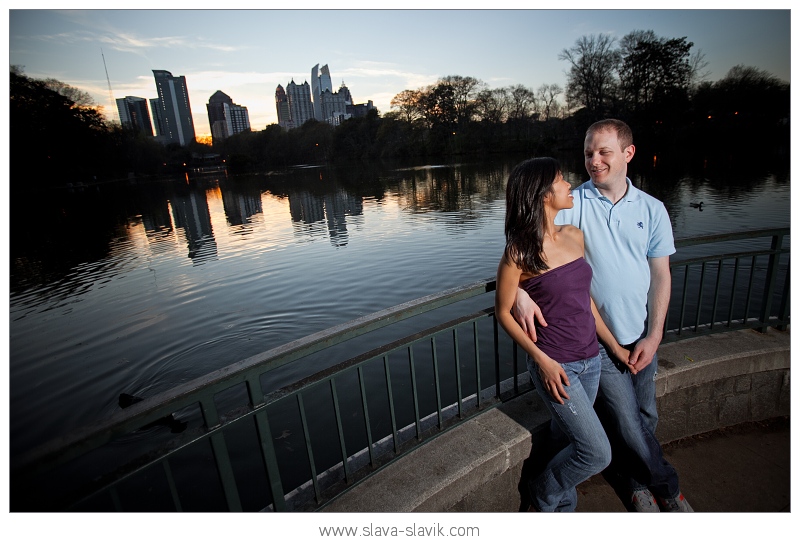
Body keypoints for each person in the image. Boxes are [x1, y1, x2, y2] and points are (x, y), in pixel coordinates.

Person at [513, 119, 692, 512]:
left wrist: (654, 335)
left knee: (646, 415)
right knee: (629, 423)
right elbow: (523, 242)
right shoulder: (573, 204)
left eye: (603, 152)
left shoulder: (653, 209)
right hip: (593, 341)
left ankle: (634, 479)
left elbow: (661, 274)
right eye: (588, 153)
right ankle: (666, 489)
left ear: (628, 154)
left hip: (639, 337)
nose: (594, 161)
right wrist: (520, 294)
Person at [495, 156, 631, 512]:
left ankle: (559, 513)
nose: (569, 184)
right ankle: (542, 494)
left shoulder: (574, 235)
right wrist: (541, 360)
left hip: (591, 360)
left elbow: (584, 301)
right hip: (557, 365)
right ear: (543, 194)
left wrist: (613, 347)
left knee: (564, 441)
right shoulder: (518, 254)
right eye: (560, 179)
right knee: (597, 452)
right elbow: (503, 312)